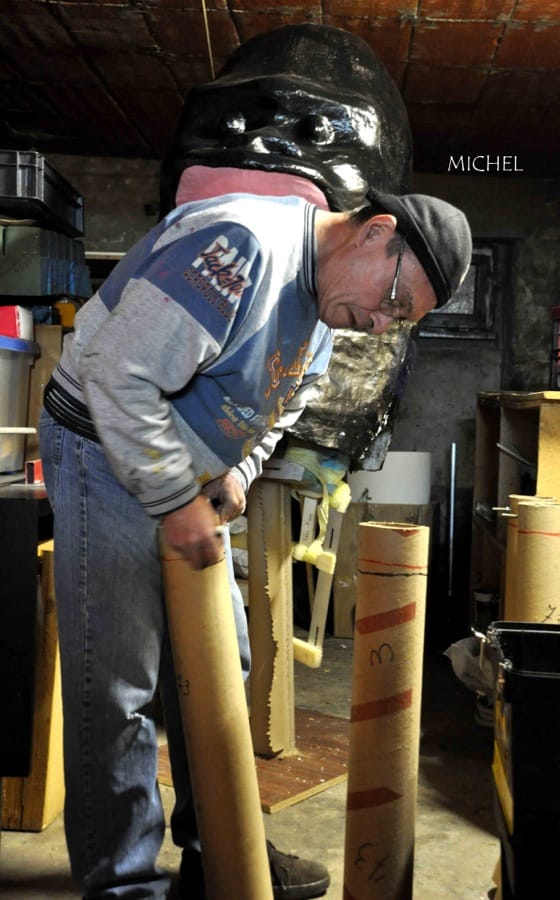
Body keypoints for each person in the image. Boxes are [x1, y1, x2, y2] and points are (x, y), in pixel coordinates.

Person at [39, 187, 472, 900]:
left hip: (185, 481)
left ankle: (220, 850)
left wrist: (239, 471)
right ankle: (124, 886)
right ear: (376, 232)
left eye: (399, 320)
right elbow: (117, 374)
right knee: (118, 689)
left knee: (221, 660)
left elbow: (285, 404)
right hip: (103, 450)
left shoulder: (326, 314)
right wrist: (175, 498)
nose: (380, 323)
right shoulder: (241, 248)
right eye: (393, 300)